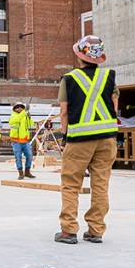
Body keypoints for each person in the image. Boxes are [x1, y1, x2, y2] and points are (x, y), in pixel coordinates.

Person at [55, 35, 119, 245]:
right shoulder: (109, 76)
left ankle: (69, 230)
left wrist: (66, 137)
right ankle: (96, 230)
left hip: (79, 140)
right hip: (107, 139)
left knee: (71, 184)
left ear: (79, 55)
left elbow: (64, 112)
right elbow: (114, 107)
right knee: (101, 184)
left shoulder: (69, 79)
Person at [9, 102, 36, 180]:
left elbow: (31, 124)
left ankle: (27, 171)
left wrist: (29, 117)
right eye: (17, 107)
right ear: (14, 109)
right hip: (16, 141)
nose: (19, 108)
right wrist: (25, 112)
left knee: (29, 156)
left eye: (21, 107)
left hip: (25, 140)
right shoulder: (13, 116)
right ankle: (21, 173)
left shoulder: (24, 116)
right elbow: (17, 119)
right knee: (18, 157)